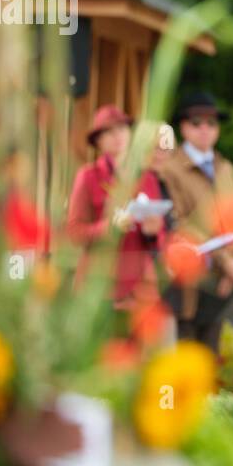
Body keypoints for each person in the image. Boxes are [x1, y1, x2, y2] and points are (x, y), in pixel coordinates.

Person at [157, 91, 233, 351]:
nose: (205, 129)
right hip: (187, 281)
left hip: (223, 282)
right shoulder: (169, 168)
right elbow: (177, 223)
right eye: (196, 122)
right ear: (183, 126)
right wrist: (226, 261)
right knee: (184, 356)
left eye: (212, 123)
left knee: (211, 360)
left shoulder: (226, 169)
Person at [67, 105, 168, 312]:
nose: (118, 135)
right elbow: (74, 232)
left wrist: (152, 232)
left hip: (141, 288)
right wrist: (109, 227)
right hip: (101, 288)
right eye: (109, 131)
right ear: (98, 141)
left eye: (122, 129)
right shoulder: (88, 176)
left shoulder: (147, 178)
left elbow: (160, 237)